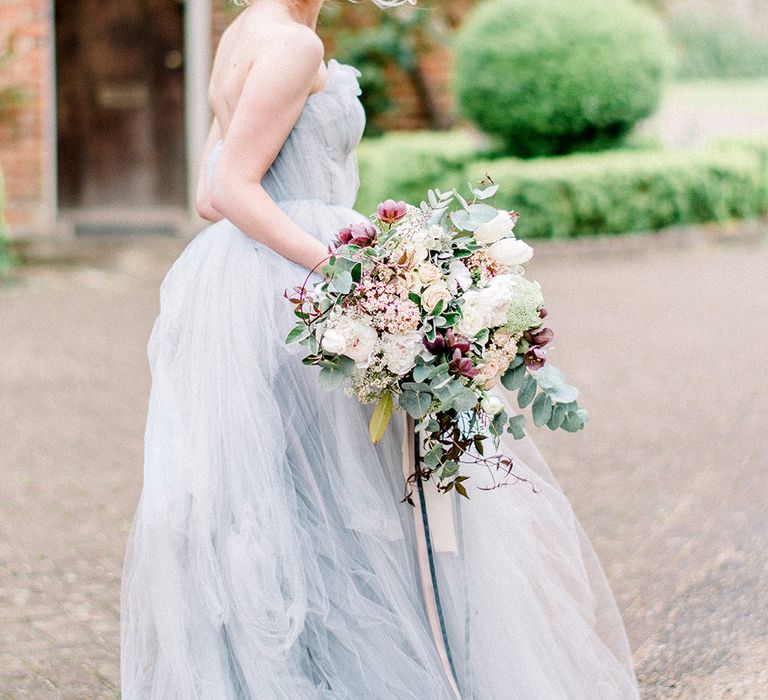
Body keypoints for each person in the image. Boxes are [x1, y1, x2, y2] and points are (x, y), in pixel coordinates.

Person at [120, 1, 640, 697]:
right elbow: (230, 190)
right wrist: (355, 278)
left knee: (295, 497)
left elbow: (209, 199)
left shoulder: (245, 31)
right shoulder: (291, 46)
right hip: (302, 294)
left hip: (250, 283)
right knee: (346, 498)